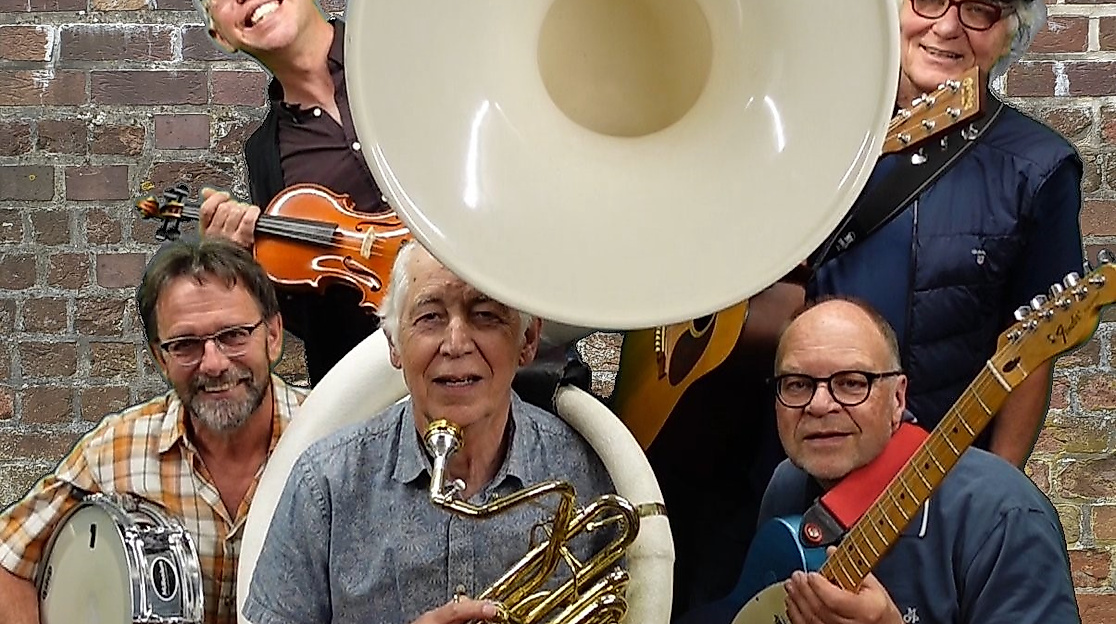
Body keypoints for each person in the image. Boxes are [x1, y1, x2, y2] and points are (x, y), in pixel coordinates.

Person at [241, 242, 616, 624]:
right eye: (430, 317)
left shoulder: (584, 472)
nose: (455, 344)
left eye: (485, 315)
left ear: (528, 340)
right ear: (394, 344)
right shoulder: (325, 483)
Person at [810, 0, 1084, 466]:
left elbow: (1032, 353)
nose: (947, 26)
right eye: (930, 0)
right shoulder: (807, 139)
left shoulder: (1039, 168)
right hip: (786, 472)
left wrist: (995, 491)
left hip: (930, 487)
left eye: (980, 10)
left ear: (1010, 34)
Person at [0, 237, 306, 624]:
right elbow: (7, 562)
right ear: (160, 357)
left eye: (233, 335)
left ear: (273, 335)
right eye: (185, 345)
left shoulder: (331, 437)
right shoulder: (115, 453)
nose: (212, 363)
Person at [759, 298, 1079, 624]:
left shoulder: (1004, 514)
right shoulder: (786, 485)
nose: (819, 404)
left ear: (898, 398)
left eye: (852, 383)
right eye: (797, 385)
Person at [195, 0, 388, 385]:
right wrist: (244, 269)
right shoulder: (265, 156)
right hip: (385, 384)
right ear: (221, 35)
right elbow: (310, 320)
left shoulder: (401, 53)